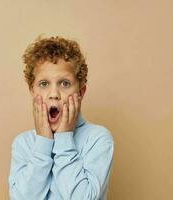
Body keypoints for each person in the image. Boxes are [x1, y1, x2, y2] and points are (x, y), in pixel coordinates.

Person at [8, 35, 115, 200]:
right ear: (32, 91)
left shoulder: (98, 138)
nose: (54, 94)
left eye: (65, 83)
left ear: (80, 92)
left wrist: (64, 138)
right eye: (44, 84)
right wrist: (43, 142)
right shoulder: (23, 144)